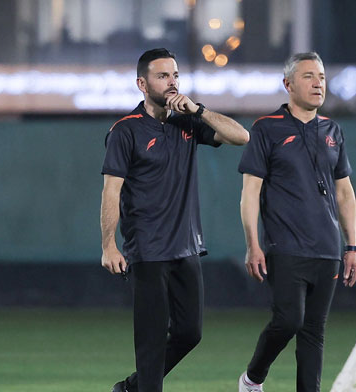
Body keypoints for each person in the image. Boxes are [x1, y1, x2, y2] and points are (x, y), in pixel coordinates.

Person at [101, 48, 250, 392]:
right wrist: (109, 244)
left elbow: (241, 137)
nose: (172, 83)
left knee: (189, 333)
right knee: (151, 344)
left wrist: (197, 109)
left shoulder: (187, 122)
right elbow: (111, 191)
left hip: (186, 247)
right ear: (142, 83)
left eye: (175, 76)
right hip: (147, 251)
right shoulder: (126, 131)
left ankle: (130, 388)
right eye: (162, 76)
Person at [236, 52, 356, 392]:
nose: (318, 82)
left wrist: (351, 247)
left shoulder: (332, 130)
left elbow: (345, 193)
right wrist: (252, 244)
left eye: (321, 75)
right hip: (285, 246)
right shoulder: (266, 129)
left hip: (328, 249)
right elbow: (250, 193)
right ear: (288, 84)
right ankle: (252, 378)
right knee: (289, 320)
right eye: (308, 76)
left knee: (313, 333)